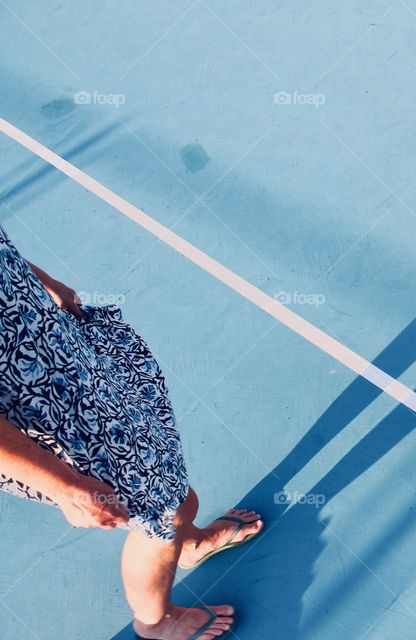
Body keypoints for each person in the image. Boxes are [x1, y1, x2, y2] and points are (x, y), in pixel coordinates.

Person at [0, 224, 263, 639]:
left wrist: (42, 280)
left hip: (63, 356)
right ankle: (156, 621)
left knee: (172, 489)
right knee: (163, 512)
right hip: (38, 421)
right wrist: (65, 486)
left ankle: (188, 543)